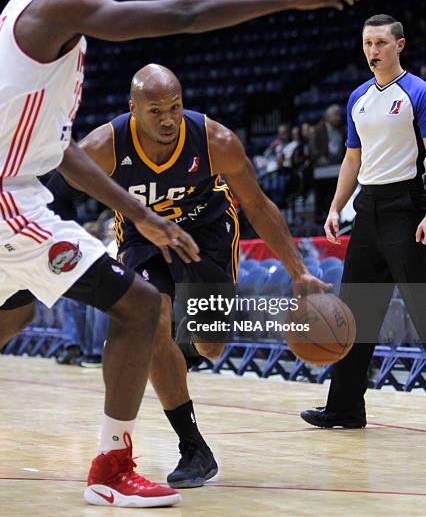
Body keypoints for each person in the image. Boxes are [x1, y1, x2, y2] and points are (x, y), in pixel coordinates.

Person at [0, 0, 358, 508]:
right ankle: (112, 465)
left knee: (8, 315)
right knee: (140, 305)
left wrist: (145, 215)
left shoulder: (38, 29)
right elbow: (183, 13)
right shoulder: (56, 7)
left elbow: (60, 152)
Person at [48, 64, 329, 488]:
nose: (167, 119)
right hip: (145, 238)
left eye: (174, 108)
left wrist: (300, 271)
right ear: (133, 109)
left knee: (210, 346)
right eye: (155, 110)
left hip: (207, 232)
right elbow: (58, 194)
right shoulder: (107, 144)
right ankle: (193, 446)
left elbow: (257, 203)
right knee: (149, 322)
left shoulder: (216, 141)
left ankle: (174, 331)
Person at [301, 14, 426, 429]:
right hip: (367, 212)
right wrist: (337, 207)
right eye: (367, 43)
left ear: (399, 46)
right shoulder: (358, 97)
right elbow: (352, 160)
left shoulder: (418, 92)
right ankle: (345, 408)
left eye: (381, 43)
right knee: (356, 316)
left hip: (408, 209)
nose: (373, 50)